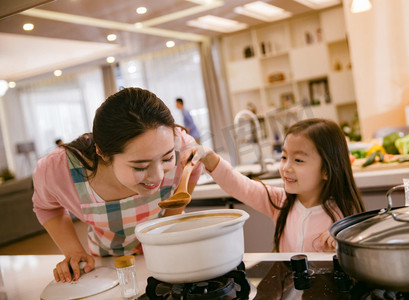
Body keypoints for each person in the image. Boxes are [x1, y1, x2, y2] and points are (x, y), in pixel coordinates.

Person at [32, 87, 202, 282]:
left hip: (169, 252)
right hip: (109, 266)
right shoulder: (57, 169)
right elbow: (46, 207)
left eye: (167, 158)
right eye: (140, 166)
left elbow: (194, 167)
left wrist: (168, 225)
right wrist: (73, 251)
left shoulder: (179, 143)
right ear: (103, 153)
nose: (156, 177)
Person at [186, 118, 365, 252]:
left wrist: (340, 248)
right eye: (284, 157)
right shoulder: (280, 202)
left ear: (326, 169)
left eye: (298, 160)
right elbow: (240, 185)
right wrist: (210, 158)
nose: (286, 167)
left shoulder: (346, 216)